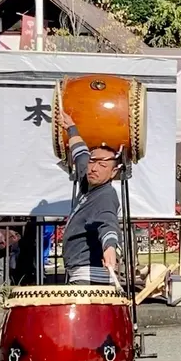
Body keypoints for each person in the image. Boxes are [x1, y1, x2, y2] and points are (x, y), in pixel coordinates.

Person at [58, 110, 120, 285]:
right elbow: (81, 154)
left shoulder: (106, 195)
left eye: (102, 164)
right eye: (93, 162)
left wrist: (109, 247)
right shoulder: (88, 176)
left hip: (90, 276)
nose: (94, 168)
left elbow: (108, 222)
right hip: (78, 270)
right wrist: (71, 128)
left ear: (113, 172)